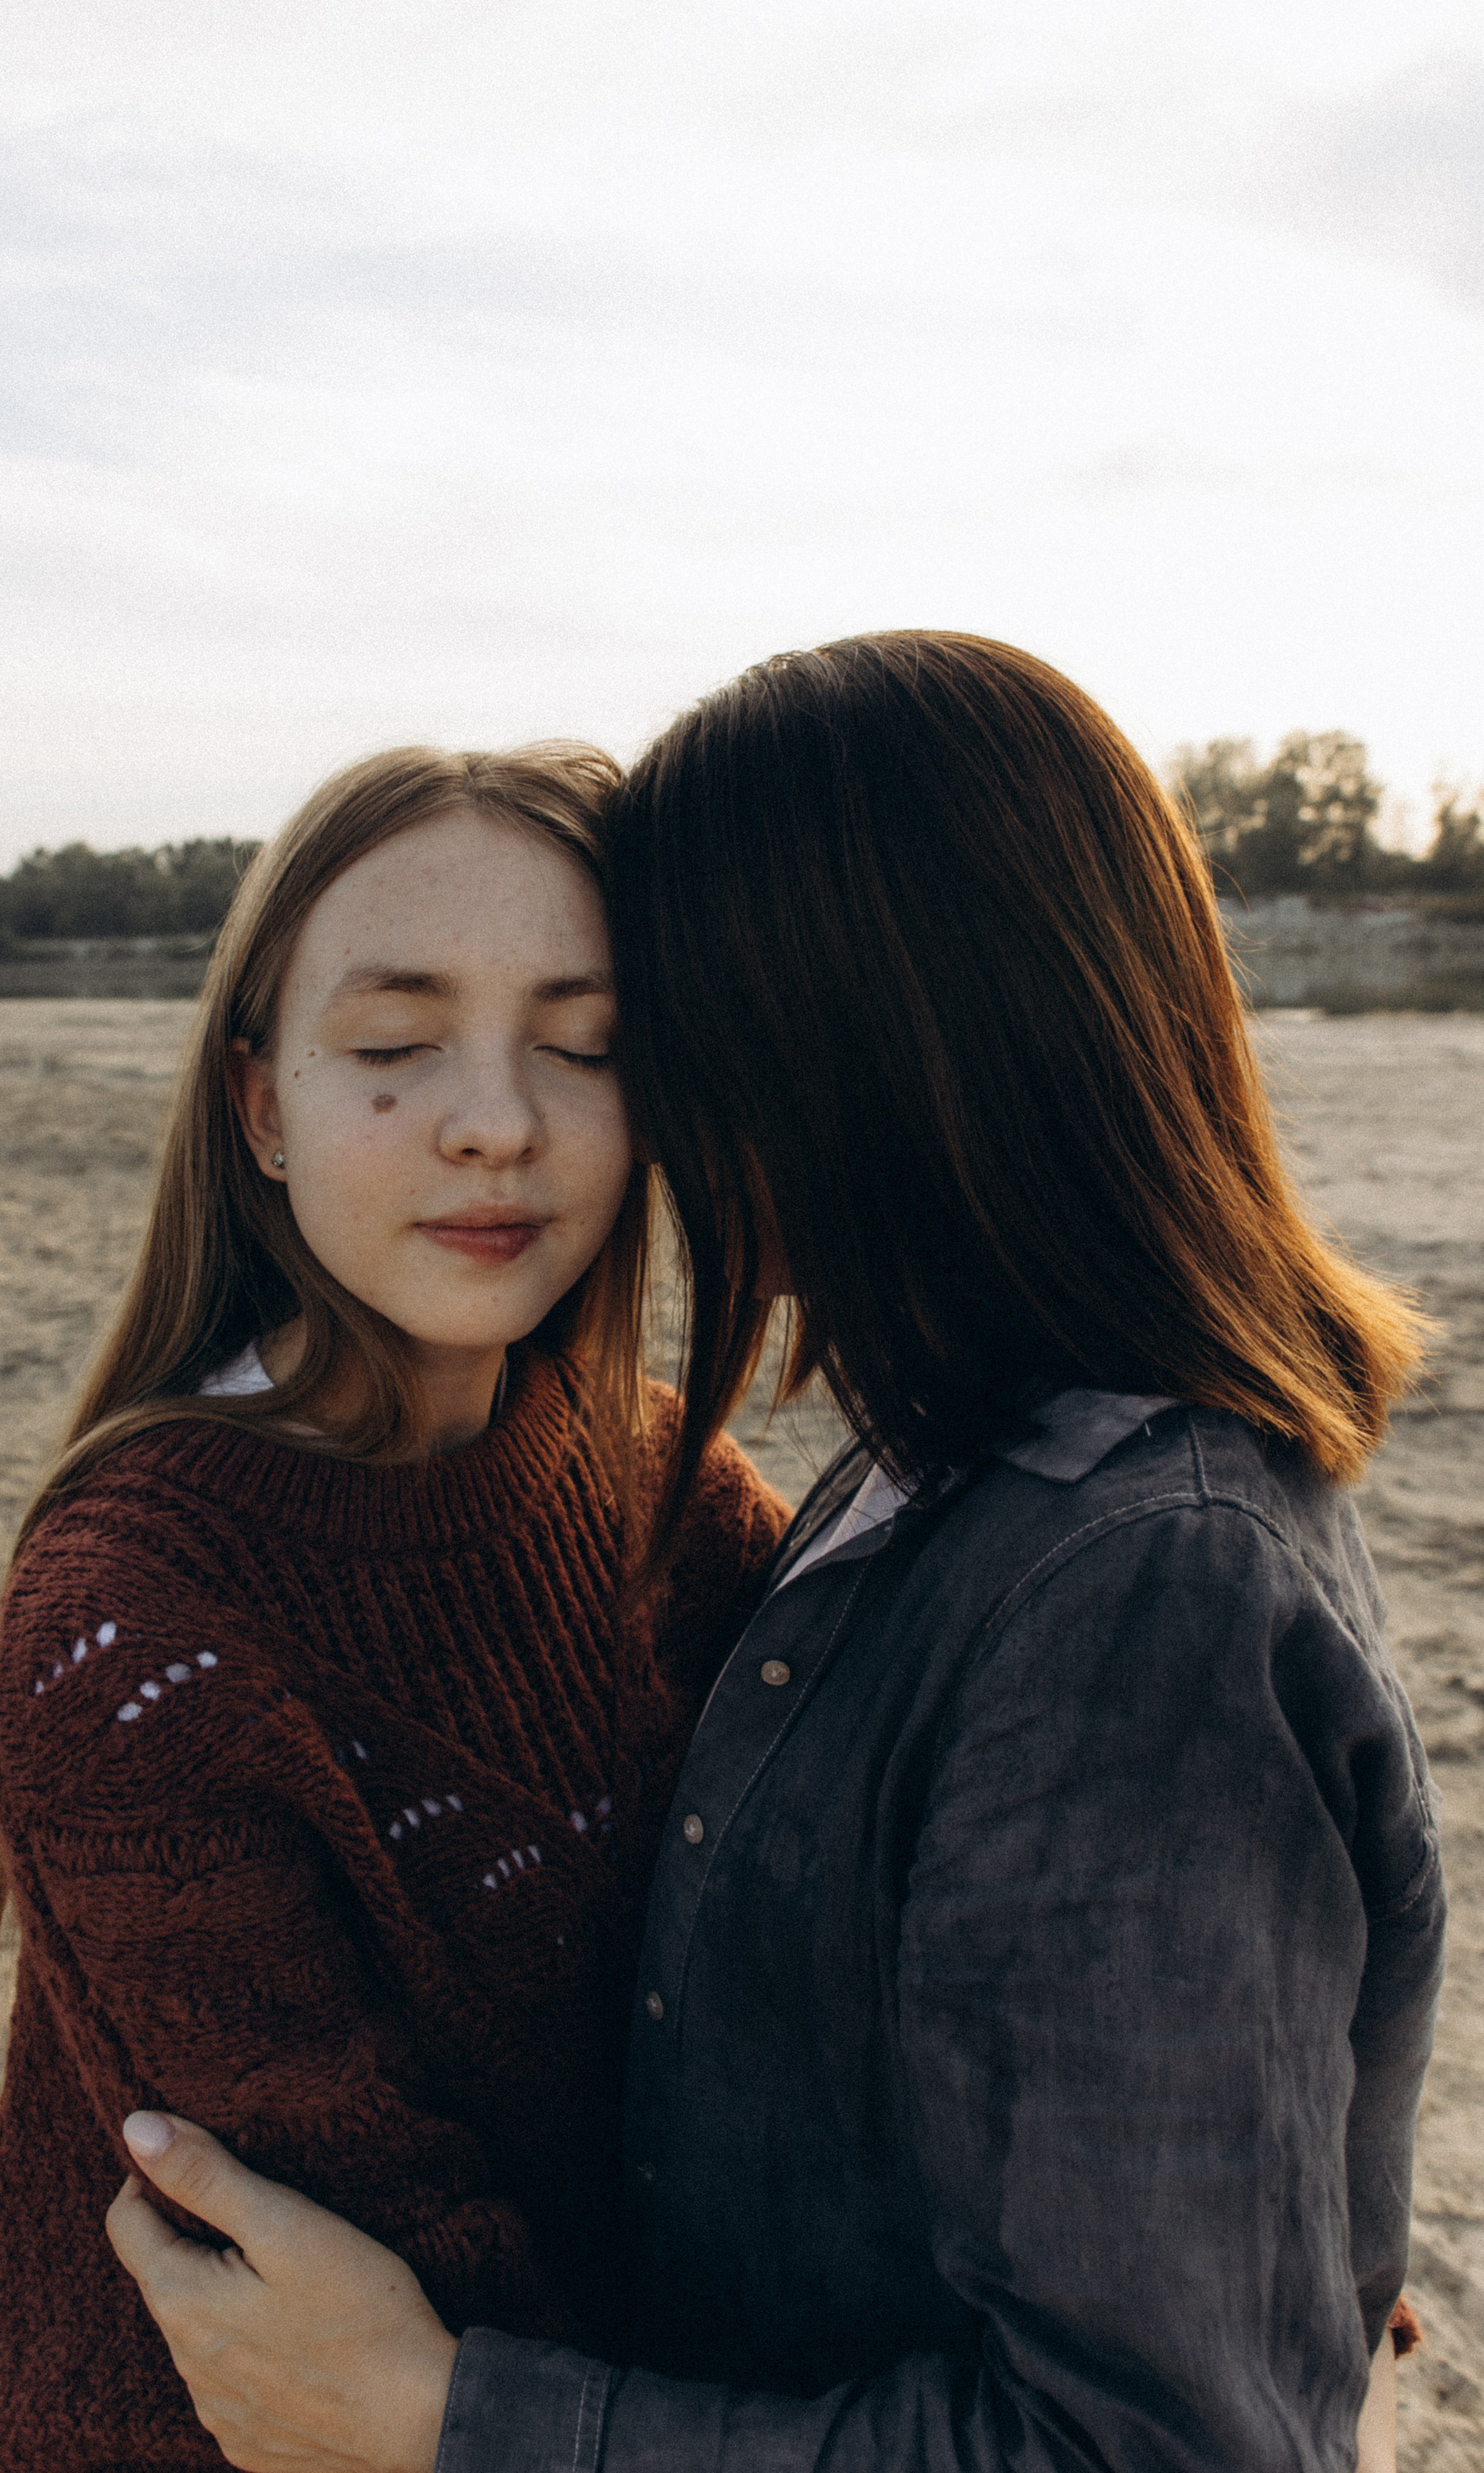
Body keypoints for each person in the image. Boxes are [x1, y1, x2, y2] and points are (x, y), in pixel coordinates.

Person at [107, 635, 1441, 2473]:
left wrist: (448, 2422)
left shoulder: (1140, 1594)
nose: (610, 1121)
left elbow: (1156, 2446)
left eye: (632, 1040)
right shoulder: (945, 1487)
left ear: (868, 1046)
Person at [0, 743, 787, 2472]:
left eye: (586, 1042)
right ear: (260, 1105)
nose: (498, 1119)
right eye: (396, 1048)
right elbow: (400, 2289)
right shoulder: (135, 1622)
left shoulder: (659, 1484)